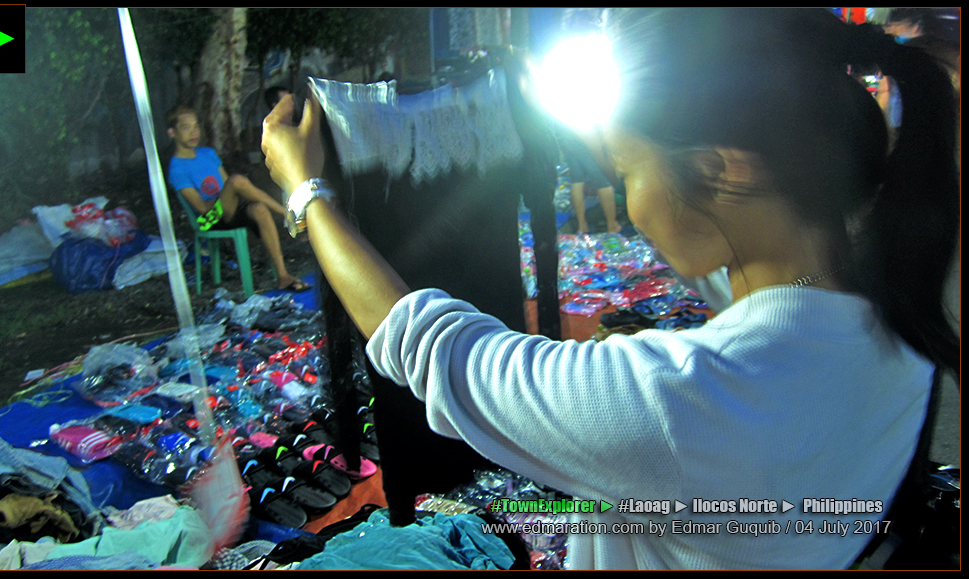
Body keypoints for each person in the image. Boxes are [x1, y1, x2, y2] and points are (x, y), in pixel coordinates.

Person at [262, 9, 959, 569]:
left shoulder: (679, 398)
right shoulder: (893, 319)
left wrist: (308, 194)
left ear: (721, 168)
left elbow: (435, 347)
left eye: (626, 169)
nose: (629, 204)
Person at [165, 105, 308, 292]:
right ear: (172, 133)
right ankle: (287, 214)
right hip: (208, 219)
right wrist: (228, 192)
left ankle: (282, 275)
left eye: (196, 126)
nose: (194, 132)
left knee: (259, 209)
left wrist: (231, 193)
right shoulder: (177, 168)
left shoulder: (207, 153)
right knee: (237, 180)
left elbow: (226, 185)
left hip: (227, 207)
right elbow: (201, 208)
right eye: (186, 127)